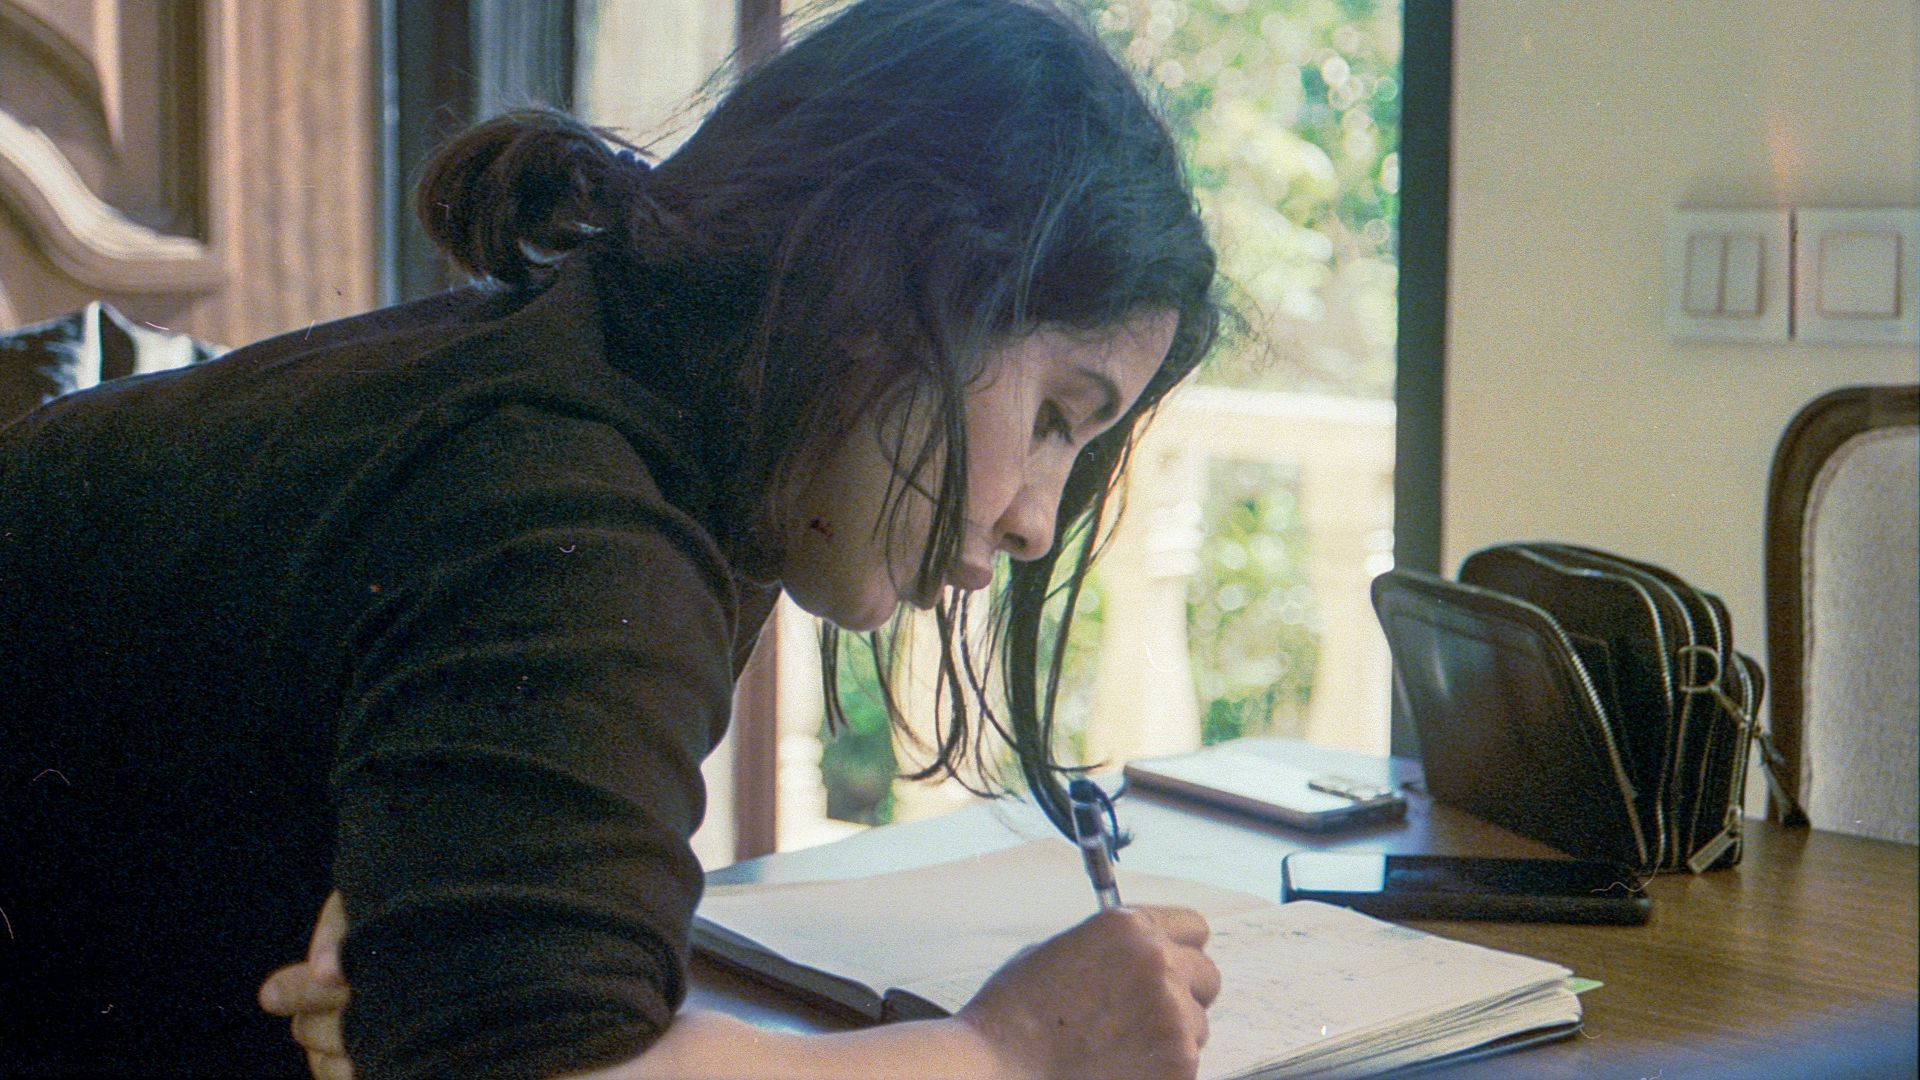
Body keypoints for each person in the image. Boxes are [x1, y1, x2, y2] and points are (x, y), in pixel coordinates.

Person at [0, 0, 1225, 1076]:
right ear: (897, 293)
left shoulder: (640, 408)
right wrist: (1009, 1051)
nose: (1032, 524)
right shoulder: (574, 514)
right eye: (1059, 414)